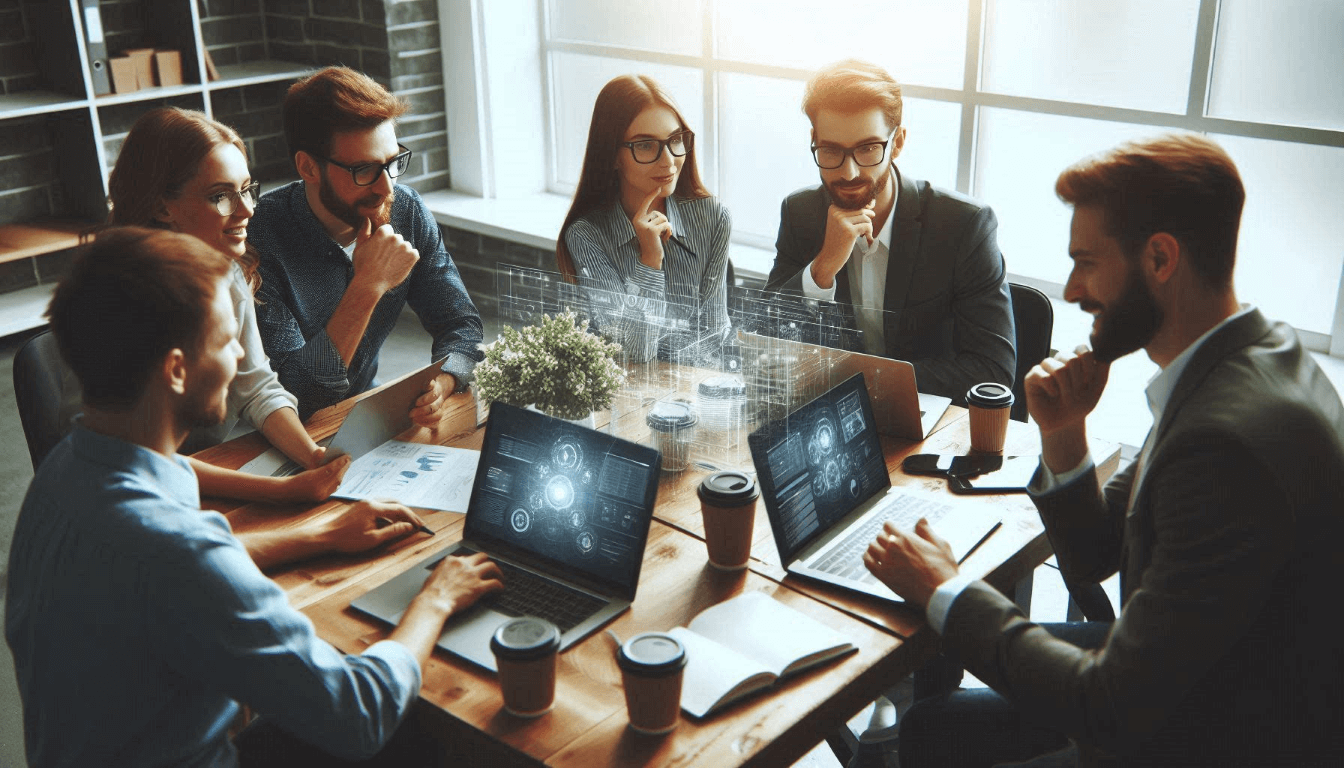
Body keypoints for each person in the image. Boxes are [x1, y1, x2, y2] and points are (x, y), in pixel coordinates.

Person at [863, 134, 1344, 766]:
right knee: (935, 726)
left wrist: (946, 589)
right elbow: (1096, 553)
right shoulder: (1243, 355)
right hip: (1213, 674)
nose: (1069, 290)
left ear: (1161, 259)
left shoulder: (1223, 440)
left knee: (938, 718)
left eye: (1086, 261)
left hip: (1222, 734)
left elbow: (1110, 710)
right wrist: (1063, 432)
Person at [5, 227, 504, 767]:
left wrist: (314, 533)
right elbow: (360, 712)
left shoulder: (68, 468)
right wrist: (435, 597)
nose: (241, 351)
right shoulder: (174, 552)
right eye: (226, 340)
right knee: (433, 732)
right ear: (176, 369)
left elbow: (155, 576)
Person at [90, 106, 345, 503]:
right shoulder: (121, 303)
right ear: (162, 207)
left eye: (246, 189)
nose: (247, 210)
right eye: (220, 196)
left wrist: (313, 456)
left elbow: (256, 386)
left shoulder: (226, 271)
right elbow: (143, 457)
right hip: (126, 488)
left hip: (200, 466)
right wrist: (280, 490)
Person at [765, 59, 1014, 403]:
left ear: (897, 143)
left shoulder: (963, 225)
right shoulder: (801, 212)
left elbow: (993, 370)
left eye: (867, 148)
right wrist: (822, 269)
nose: (849, 172)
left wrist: (855, 379)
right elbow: (766, 338)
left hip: (930, 426)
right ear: (814, 140)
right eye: (832, 150)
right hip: (828, 422)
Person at [250, 66, 483, 419]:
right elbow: (295, 395)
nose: (387, 188)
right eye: (364, 170)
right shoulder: (258, 238)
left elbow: (462, 326)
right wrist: (368, 285)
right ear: (309, 168)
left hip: (364, 409)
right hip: (274, 434)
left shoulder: (405, 210)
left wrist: (446, 379)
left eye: (392, 163)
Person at [557, 74, 731, 363]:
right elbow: (631, 354)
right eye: (645, 145)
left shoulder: (713, 216)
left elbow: (714, 337)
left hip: (695, 389)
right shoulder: (586, 235)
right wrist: (650, 261)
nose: (668, 161)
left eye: (675, 140)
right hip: (628, 394)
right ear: (612, 155)